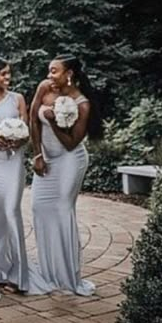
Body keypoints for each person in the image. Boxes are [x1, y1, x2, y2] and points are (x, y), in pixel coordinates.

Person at [0, 56, 51, 295]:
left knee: (10, 212)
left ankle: (17, 273)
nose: (8, 78)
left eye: (8, 73)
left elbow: (26, 130)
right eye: (3, 74)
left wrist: (17, 138)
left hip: (12, 162)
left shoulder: (18, 99)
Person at [30, 54, 102, 296]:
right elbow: (32, 119)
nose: (50, 76)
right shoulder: (44, 88)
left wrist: (54, 122)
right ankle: (49, 272)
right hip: (46, 158)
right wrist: (37, 155)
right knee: (39, 207)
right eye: (49, 71)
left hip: (71, 160)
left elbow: (72, 143)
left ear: (68, 74)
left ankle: (68, 275)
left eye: (54, 71)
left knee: (62, 211)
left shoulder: (82, 103)